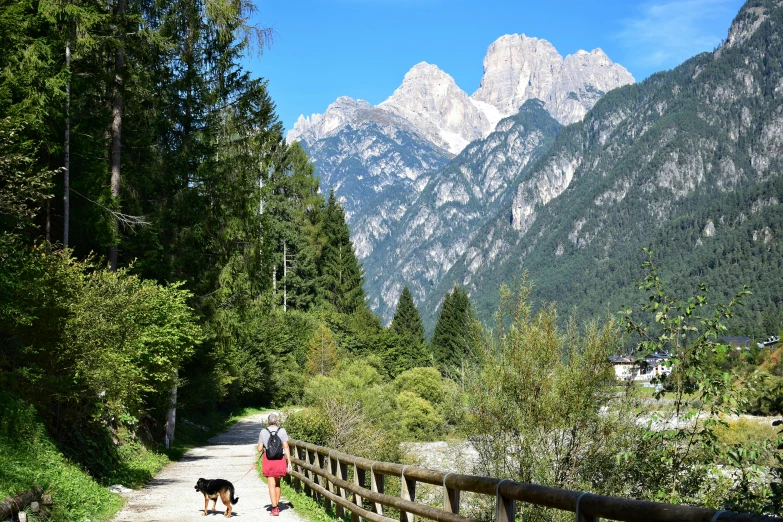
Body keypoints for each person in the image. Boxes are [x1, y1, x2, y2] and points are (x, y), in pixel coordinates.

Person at [258, 413, 292, 516]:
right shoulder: (282, 431)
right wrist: (289, 462)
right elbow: (286, 447)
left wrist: (264, 447)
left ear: (268, 422)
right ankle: (276, 505)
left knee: (271, 485)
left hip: (268, 460)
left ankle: (275, 508)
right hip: (280, 459)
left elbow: (259, 449)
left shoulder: (263, 431)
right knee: (277, 484)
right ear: (277, 421)